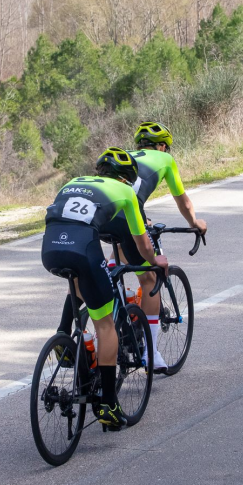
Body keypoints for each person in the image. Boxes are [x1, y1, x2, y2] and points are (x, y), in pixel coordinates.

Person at [57, 122, 206, 372]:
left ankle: (67, 328)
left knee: (96, 270)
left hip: (100, 214)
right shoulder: (165, 160)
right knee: (150, 277)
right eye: (166, 148)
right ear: (161, 146)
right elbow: (183, 201)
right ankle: (151, 353)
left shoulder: (127, 158)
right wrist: (195, 223)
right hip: (126, 213)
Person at [42, 148, 169, 429]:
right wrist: (154, 261)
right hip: (82, 248)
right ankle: (109, 404)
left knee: (76, 282)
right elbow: (142, 244)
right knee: (106, 324)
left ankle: (64, 337)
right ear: (127, 178)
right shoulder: (125, 193)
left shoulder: (73, 182)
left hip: (50, 247)